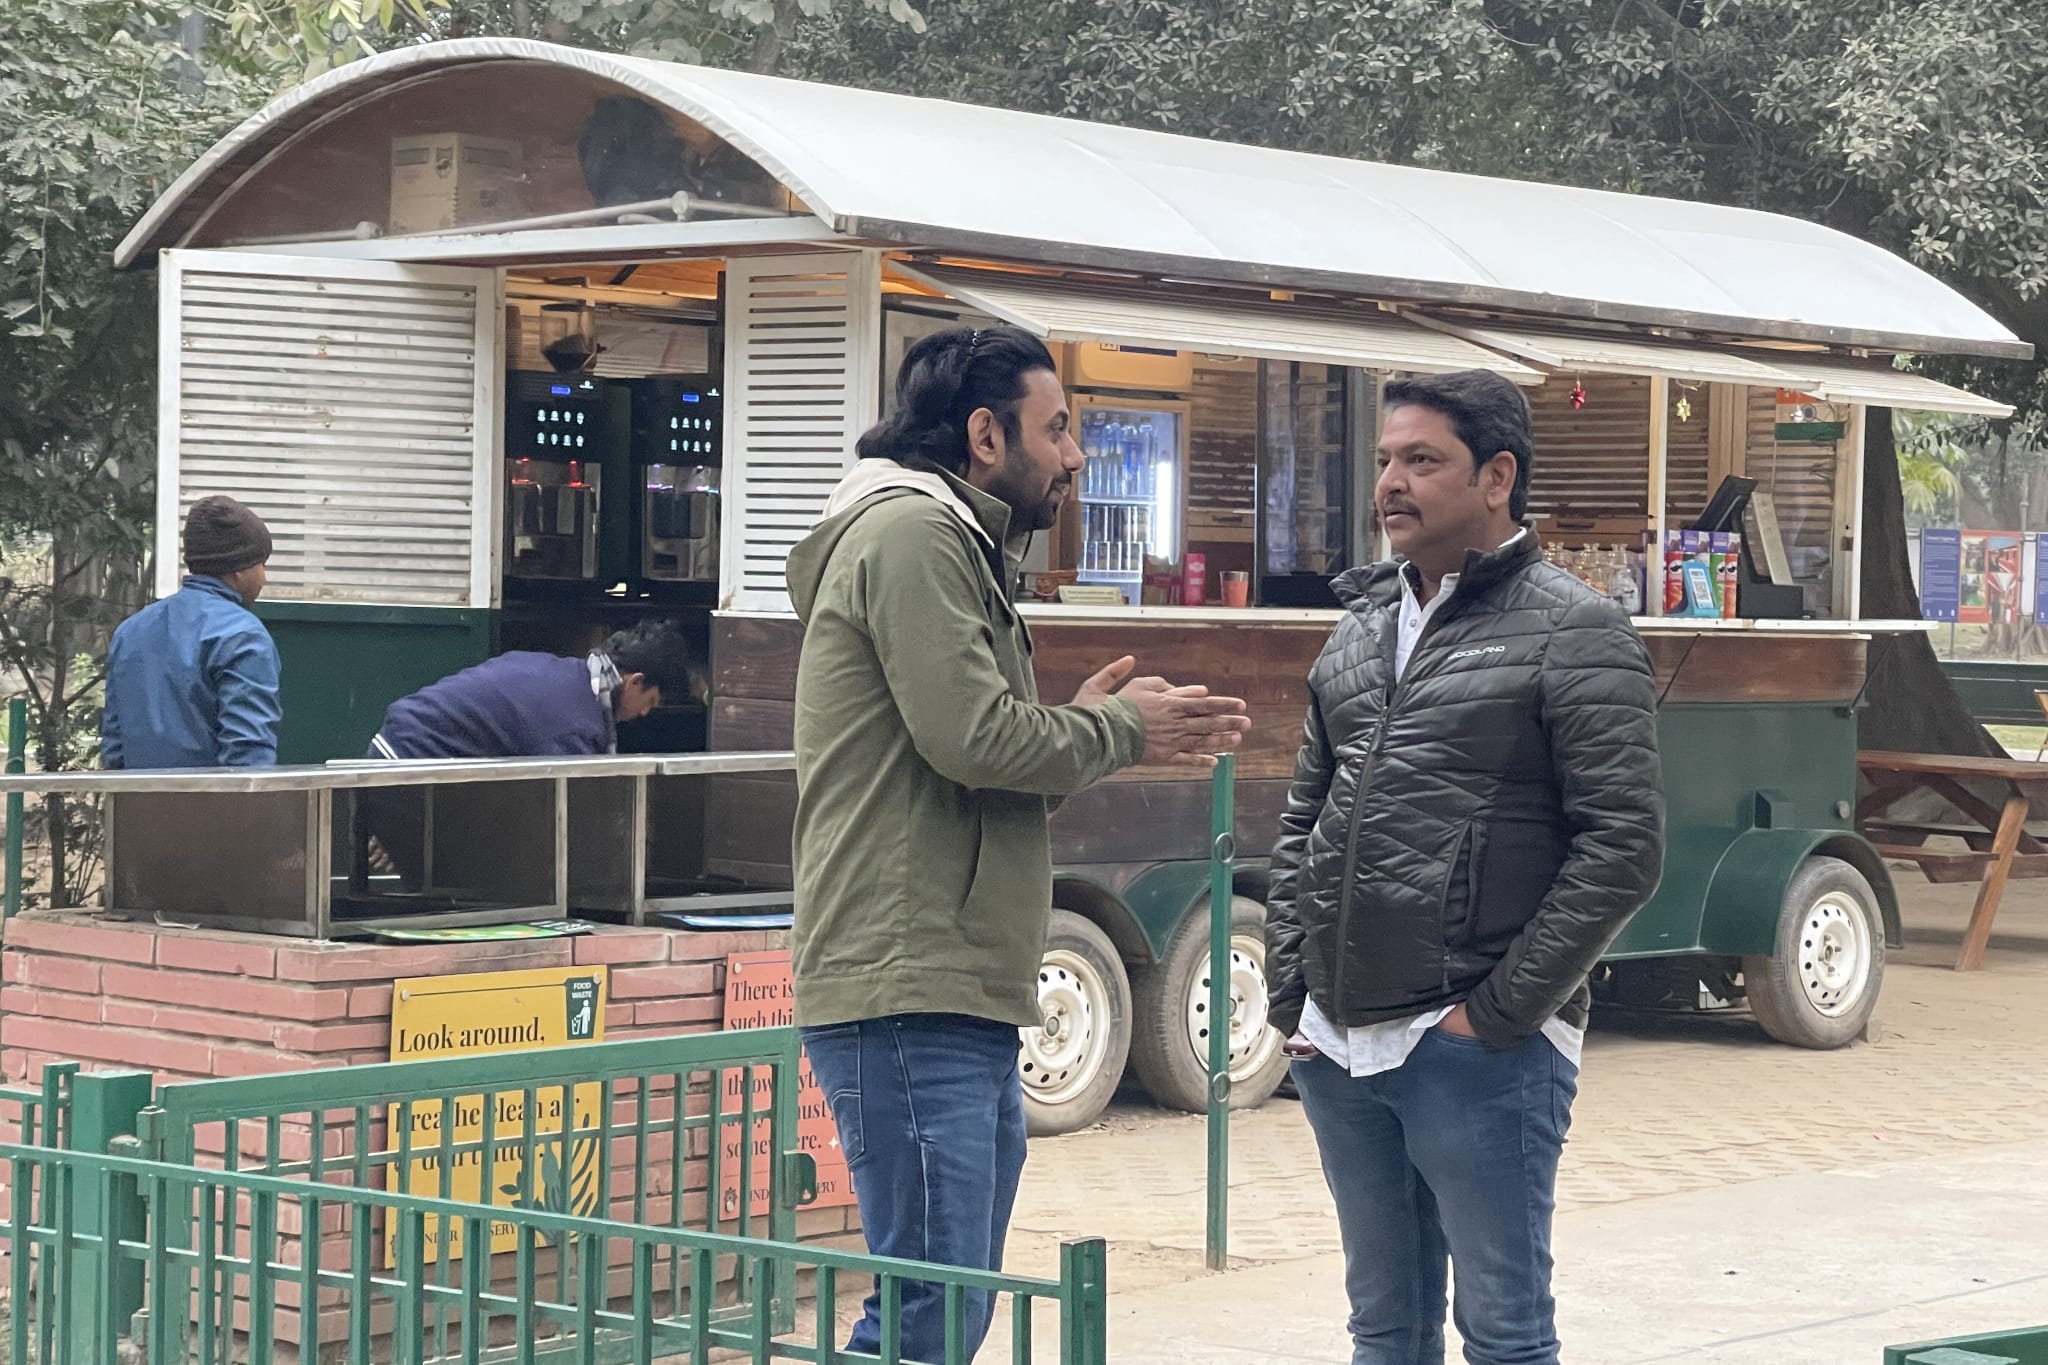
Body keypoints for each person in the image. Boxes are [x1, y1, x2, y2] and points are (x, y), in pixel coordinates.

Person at [786, 324, 1252, 1363]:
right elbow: (975, 739)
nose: (1075, 455)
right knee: (929, 1309)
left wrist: (1082, 727)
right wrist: (1120, 728)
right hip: (909, 981)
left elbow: (975, 762)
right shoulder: (913, 534)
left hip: (951, 979)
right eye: (1058, 429)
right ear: (985, 436)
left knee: (944, 1305)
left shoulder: (946, 536)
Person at [1265, 369, 1664, 1365]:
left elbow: (1622, 843)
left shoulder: (1575, 629)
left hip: (1475, 1051)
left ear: (1496, 477)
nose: (1389, 483)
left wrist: (1493, 1016)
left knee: (1504, 1335)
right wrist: (1291, 993)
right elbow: (1302, 819)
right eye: (1385, 460)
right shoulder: (1356, 629)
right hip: (1337, 1044)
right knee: (1383, 1330)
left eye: (1421, 460)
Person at [360, 619, 695, 887]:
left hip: (396, 758)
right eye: (650, 702)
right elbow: (570, 819)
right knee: (468, 892)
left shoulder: (560, 673)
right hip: (412, 770)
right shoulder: (576, 724)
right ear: (635, 681)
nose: (644, 713)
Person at [102, 495, 281, 770]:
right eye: (262, 564)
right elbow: (248, 757)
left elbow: (115, 748)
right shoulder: (243, 636)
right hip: (212, 799)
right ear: (240, 569)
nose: (264, 577)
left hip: (136, 796)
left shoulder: (129, 632)